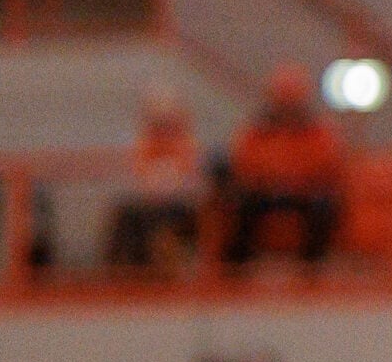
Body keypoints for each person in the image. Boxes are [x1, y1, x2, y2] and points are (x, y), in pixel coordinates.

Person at [224, 64, 347, 267]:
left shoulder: (318, 132)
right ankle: (236, 268)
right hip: (265, 192)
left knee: (324, 206)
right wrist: (269, 180)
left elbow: (328, 165)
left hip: (305, 192)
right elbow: (244, 164)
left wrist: (297, 180)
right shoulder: (257, 132)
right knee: (241, 204)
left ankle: (313, 265)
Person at [107, 90, 203, 274]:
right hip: (150, 202)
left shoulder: (186, 143)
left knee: (167, 219)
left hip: (180, 204)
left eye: (166, 120)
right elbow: (139, 176)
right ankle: (123, 270)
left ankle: (166, 268)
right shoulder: (145, 144)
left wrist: (166, 182)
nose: (162, 127)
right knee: (126, 215)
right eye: (158, 121)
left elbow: (188, 178)